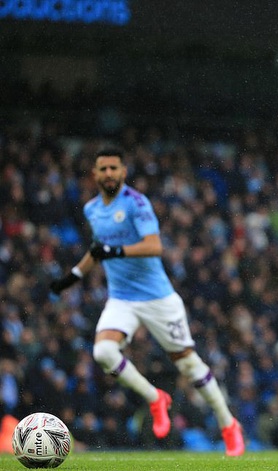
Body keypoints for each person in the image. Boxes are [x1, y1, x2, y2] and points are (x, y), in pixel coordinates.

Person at [49, 149, 245, 456]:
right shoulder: (91, 209)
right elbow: (98, 249)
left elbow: (153, 246)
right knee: (102, 351)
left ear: (124, 171)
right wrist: (72, 276)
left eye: (114, 167)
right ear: (95, 174)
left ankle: (228, 424)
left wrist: (115, 252)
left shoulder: (137, 203)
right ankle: (155, 398)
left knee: (190, 367)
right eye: (104, 168)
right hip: (122, 299)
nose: (109, 173)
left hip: (158, 298)